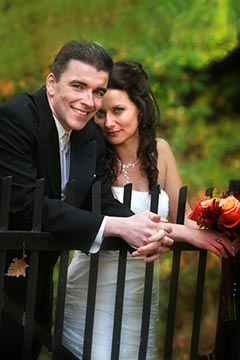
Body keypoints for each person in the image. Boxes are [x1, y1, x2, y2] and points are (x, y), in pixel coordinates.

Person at [0, 42, 174, 360]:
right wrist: (116, 225)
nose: (88, 101)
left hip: (34, 292)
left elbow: (101, 201)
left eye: (98, 91)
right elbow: (26, 206)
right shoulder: (15, 119)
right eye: (78, 86)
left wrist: (144, 226)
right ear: (52, 83)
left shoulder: (87, 136)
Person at [62, 61, 234, 359]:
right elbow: (101, 219)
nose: (108, 123)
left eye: (119, 110)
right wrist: (177, 232)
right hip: (94, 291)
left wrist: (224, 227)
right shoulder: (88, 152)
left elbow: (189, 220)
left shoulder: (161, 151)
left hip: (140, 293)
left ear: (139, 108)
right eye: (101, 113)